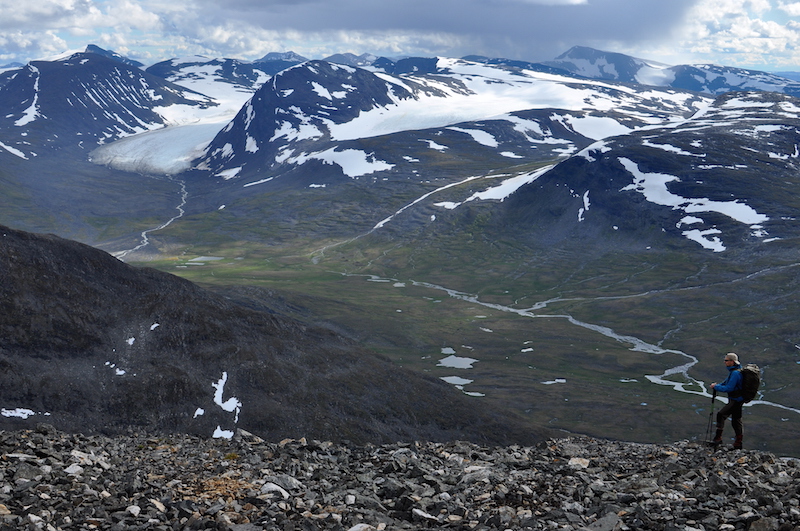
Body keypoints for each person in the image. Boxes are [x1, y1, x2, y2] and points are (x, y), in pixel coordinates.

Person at [710, 352, 744, 449]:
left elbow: (729, 388)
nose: (724, 362)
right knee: (736, 420)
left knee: (721, 414)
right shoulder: (735, 371)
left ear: (732, 362)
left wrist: (715, 387)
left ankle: (718, 438)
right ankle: (738, 443)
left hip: (735, 400)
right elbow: (725, 383)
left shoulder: (735, 373)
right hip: (737, 399)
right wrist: (717, 386)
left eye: (726, 360)